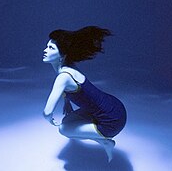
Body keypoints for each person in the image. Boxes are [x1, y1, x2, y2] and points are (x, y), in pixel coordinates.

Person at [42, 26, 127, 162]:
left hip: (113, 121)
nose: (45, 50)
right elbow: (73, 89)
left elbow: (47, 112)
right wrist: (67, 103)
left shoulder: (63, 77)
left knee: (63, 129)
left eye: (51, 48)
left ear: (62, 55)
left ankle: (106, 142)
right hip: (114, 106)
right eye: (47, 46)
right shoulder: (68, 67)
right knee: (67, 120)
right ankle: (103, 140)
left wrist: (48, 118)